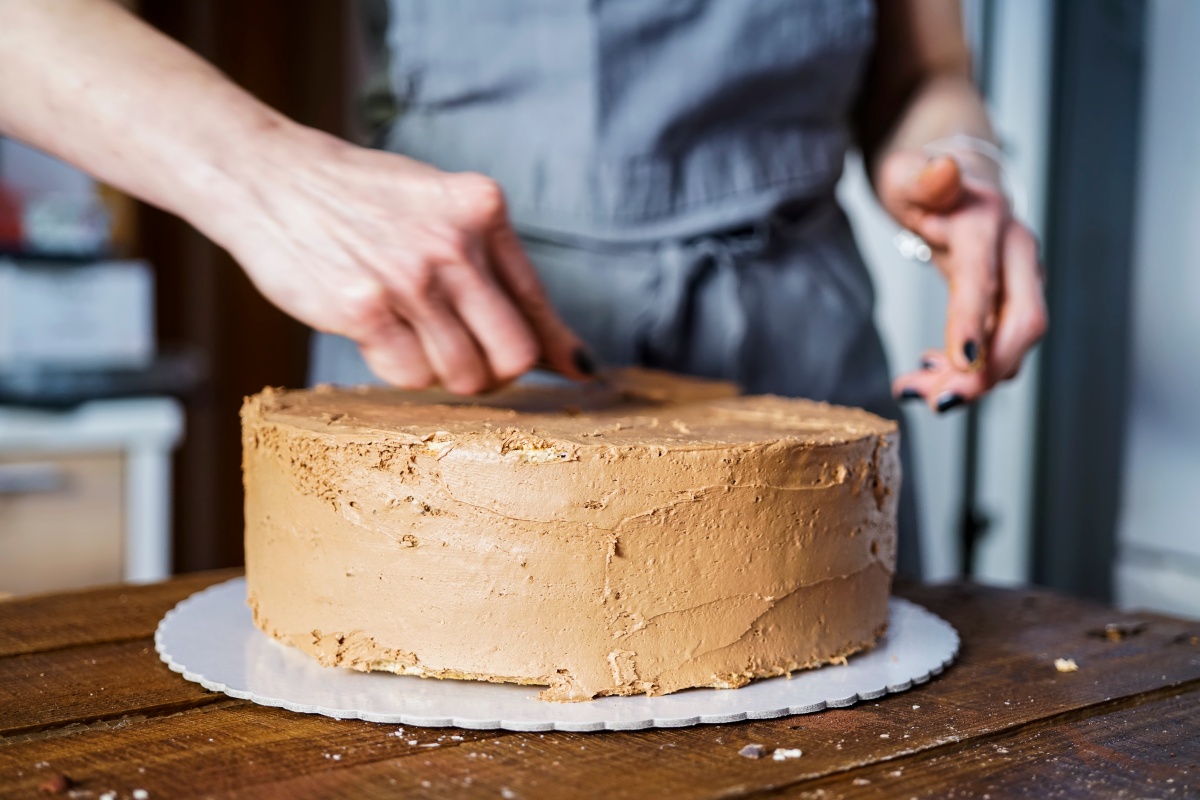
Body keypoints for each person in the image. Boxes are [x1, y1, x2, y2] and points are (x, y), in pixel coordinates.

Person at [0, 0, 1046, 578]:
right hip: (448, 326)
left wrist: (958, 156)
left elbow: (927, 66)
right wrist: (253, 167)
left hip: (795, 340)